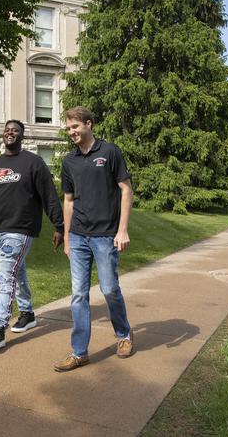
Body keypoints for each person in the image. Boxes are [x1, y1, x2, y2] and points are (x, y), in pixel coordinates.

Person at [53, 107, 134, 372]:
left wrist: (122, 230)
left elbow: (126, 190)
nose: (71, 132)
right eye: (68, 128)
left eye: (75, 126)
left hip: (104, 236)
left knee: (110, 289)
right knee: (78, 294)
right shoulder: (69, 161)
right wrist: (66, 238)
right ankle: (79, 352)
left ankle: (123, 334)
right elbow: (68, 200)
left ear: (89, 124)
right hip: (78, 236)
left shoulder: (109, 152)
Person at [0, 120, 63, 349]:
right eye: (7, 129)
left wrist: (59, 225)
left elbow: (49, 196)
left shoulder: (33, 163)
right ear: (3, 135)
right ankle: (27, 314)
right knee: (17, 271)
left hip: (20, 229)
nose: (10, 132)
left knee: (6, 277)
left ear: (22, 135)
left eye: (15, 130)